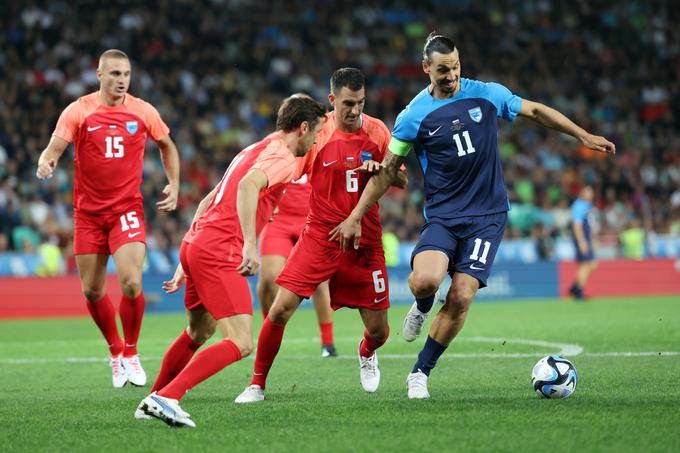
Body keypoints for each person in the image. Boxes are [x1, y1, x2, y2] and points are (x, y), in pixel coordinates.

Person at [330, 33, 615, 399]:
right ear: (426, 69)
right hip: (444, 217)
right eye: (443, 70)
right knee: (425, 281)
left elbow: (535, 111)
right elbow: (388, 171)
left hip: (487, 216)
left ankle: (420, 372)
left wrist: (581, 134)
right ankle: (420, 307)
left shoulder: (487, 93)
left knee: (462, 295)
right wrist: (356, 215)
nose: (451, 76)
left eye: (455, 67)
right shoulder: (412, 116)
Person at [135, 95, 327, 427]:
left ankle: (151, 398)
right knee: (240, 341)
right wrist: (251, 245)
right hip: (220, 249)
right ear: (304, 128)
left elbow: (212, 196)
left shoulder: (253, 149)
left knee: (199, 330)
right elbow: (248, 187)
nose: (315, 142)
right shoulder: (280, 156)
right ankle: (166, 397)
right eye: (315, 134)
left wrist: (188, 251)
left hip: (198, 242)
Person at [235, 68, 407, 404]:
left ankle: (367, 351)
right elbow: (291, 168)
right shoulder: (318, 132)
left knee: (378, 330)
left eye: (359, 103)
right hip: (320, 235)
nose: (354, 111)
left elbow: (402, 180)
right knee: (280, 309)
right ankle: (257, 384)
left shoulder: (378, 131)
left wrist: (382, 171)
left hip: (365, 240)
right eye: (346, 104)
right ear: (332, 100)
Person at [36, 49, 180, 388]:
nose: (121, 80)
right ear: (99, 75)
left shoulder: (143, 111)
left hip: (126, 209)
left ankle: (131, 352)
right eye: (114, 74)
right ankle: (115, 352)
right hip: (88, 214)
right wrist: (46, 162)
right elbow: (54, 148)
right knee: (92, 290)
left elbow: (167, 146)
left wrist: (174, 184)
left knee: (131, 283)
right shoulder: (79, 111)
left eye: (126, 74)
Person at [258, 175, 337, 358]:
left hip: (311, 217)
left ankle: (328, 343)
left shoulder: (316, 148)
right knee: (269, 280)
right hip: (278, 219)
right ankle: (268, 336)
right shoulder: (275, 150)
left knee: (319, 282)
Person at [569, 185, 598, 299]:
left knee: (591, 265)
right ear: (582, 193)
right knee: (587, 264)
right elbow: (577, 225)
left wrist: (592, 239)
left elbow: (589, 224)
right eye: (588, 192)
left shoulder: (587, 206)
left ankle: (575, 288)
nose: (591, 195)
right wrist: (581, 241)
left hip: (586, 237)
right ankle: (578, 290)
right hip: (581, 238)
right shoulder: (579, 206)